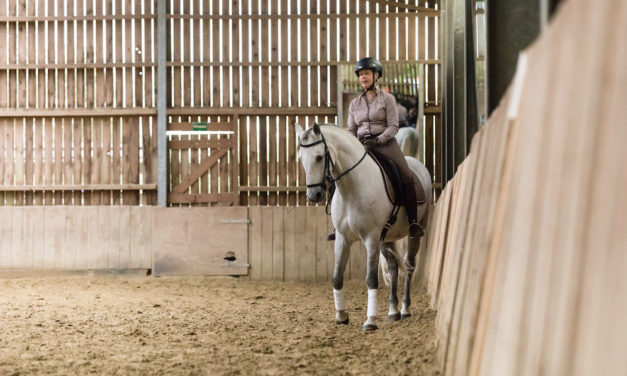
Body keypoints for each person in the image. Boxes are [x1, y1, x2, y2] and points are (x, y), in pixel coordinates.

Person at [328, 57, 426, 241]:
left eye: (366, 73)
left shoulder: (388, 99)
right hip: (361, 146)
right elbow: (351, 130)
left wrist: (380, 140)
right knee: (338, 175)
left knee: (405, 174)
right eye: (360, 74)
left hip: (386, 144)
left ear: (376, 76)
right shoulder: (355, 104)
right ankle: (337, 225)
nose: (363, 77)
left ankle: (413, 222)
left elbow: (393, 126)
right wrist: (354, 143)